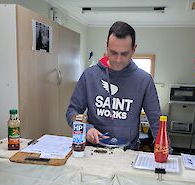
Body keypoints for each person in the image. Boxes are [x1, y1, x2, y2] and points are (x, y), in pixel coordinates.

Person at [66, 21, 161, 150]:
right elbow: (72, 112)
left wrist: (168, 153)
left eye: (124, 54)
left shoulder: (144, 80)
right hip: (93, 150)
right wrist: (87, 129)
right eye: (113, 52)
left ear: (134, 49)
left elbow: (157, 123)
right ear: (106, 46)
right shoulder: (89, 76)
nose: (118, 59)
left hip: (127, 153)